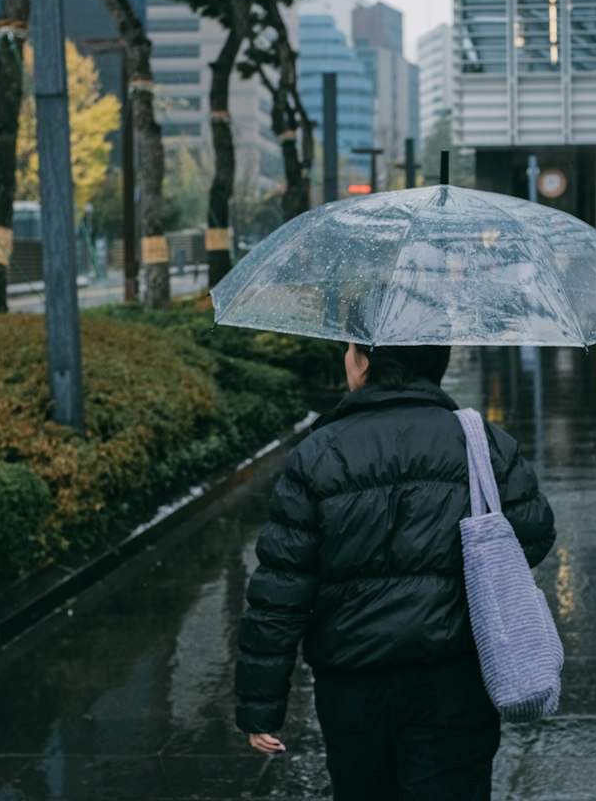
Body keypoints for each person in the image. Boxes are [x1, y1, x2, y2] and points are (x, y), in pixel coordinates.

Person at [235, 341, 556, 800]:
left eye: (350, 349)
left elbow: (281, 589)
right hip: (456, 678)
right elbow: (535, 535)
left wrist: (260, 705)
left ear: (367, 361)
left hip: (352, 684)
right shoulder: (480, 442)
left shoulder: (318, 454)